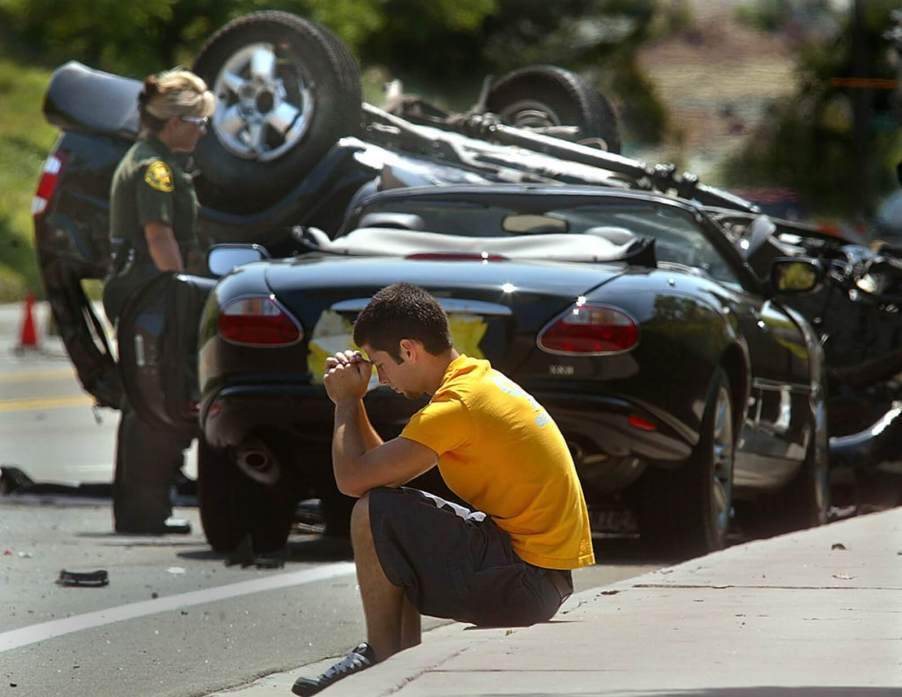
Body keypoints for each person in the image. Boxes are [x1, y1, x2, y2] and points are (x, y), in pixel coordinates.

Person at [292, 283, 595, 696]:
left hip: (527, 586)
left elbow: (352, 481)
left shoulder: (456, 407)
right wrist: (356, 402)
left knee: (371, 510)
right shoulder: (474, 382)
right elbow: (383, 473)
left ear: (410, 349)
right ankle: (401, 657)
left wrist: (344, 403)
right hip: (542, 577)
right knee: (388, 509)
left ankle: (381, 656)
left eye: (382, 364)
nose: (382, 378)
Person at [102, 68, 215, 534]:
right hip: (152, 294)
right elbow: (158, 234)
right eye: (198, 121)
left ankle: (142, 509)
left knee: (145, 401)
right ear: (174, 122)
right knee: (155, 402)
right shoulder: (155, 168)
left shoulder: (147, 158)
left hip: (142, 294)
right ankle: (144, 513)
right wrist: (181, 289)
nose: (202, 130)